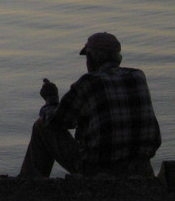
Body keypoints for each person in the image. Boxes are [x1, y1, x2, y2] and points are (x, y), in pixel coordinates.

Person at [19, 32, 161, 178]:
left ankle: (29, 182)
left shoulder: (89, 83)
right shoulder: (138, 76)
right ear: (119, 58)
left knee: (42, 126)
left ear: (92, 58)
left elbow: (57, 122)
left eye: (87, 57)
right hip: (141, 168)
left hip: (98, 169)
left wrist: (51, 101)